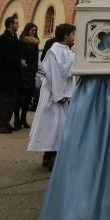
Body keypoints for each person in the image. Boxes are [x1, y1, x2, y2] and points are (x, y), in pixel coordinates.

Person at [27, 23, 75, 171]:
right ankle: (51, 157)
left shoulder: (69, 51)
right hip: (54, 95)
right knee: (52, 126)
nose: (74, 37)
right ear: (65, 35)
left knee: (60, 126)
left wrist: (69, 93)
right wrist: (59, 95)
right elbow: (53, 74)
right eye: (73, 34)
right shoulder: (53, 51)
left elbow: (72, 73)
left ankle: (51, 155)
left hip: (64, 94)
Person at [0, 17, 27, 134]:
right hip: (5, 76)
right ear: (10, 25)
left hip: (14, 76)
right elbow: (4, 57)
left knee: (12, 101)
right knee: (4, 101)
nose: (18, 25)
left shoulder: (14, 38)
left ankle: (6, 122)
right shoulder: (3, 39)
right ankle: (0, 124)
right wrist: (19, 61)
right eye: (16, 24)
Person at [13, 23, 39, 130]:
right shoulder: (22, 41)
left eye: (35, 30)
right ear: (27, 30)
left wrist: (34, 69)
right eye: (32, 30)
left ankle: (23, 118)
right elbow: (19, 56)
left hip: (31, 72)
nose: (33, 32)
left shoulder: (35, 43)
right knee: (19, 98)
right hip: (22, 73)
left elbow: (35, 58)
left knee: (28, 98)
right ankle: (17, 120)